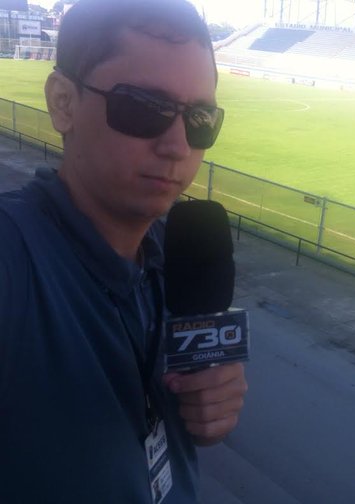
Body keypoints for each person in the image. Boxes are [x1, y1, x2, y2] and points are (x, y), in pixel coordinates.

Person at [0, 0, 247, 502]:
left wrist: (210, 407)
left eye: (200, 118)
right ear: (63, 102)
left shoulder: (176, 257)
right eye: (144, 107)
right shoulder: (13, 254)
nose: (177, 146)